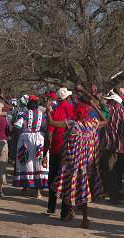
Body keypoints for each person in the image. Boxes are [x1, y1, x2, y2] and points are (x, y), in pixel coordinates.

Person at [48, 100, 107, 228]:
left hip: (72, 164)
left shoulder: (71, 124)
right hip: (87, 165)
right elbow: (106, 121)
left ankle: (79, 216)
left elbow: (52, 123)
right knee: (81, 190)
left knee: (68, 187)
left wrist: (48, 111)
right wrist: (96, 107)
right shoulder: (92, 125)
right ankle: (75, 214)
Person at [45, 87, 74, 217]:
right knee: (66, 180)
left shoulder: (55, 112)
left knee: (53, 178)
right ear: (68, 98)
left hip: (56, 149)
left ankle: (51, 207)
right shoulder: (72, 109)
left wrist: (46, 150)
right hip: (69, 149)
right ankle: (65, 211)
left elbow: (50, 133)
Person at [12, 95, 48, 198]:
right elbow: (45, 127)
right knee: (38, 162)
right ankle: (38, 192)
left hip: (25, 138)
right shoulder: (43, 114)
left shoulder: (23, 113)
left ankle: (25, 188)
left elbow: (18, 126)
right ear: (37, 105)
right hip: (39, 138)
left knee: (25, 160)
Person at [100, 89, 124, 203]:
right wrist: (121, 95)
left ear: (114, 102)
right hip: (120, 145)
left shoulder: (110, 110)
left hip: (110, 145)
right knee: (116, 170)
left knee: (110, 170)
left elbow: (102, 106)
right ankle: (116, 192)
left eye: (110, 101)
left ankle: (114, 195)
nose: (108, 103)